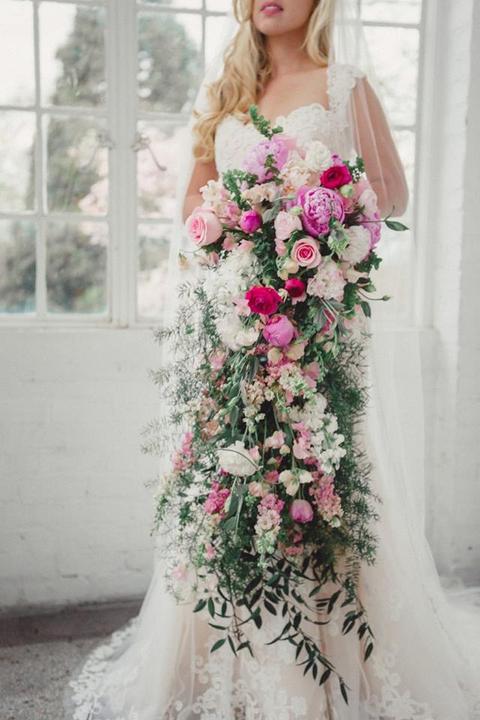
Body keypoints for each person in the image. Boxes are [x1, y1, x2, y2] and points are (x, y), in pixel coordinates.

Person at [66, 1, 480, 718]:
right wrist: (238, 226)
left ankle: (325, 668)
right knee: (232, 481)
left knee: (313, 475)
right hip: (234, 321)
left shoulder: (343, 84)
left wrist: (317, 214)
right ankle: (224, 658)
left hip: (313, 324)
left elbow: (391, 192)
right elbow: (194, 203)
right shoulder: (224, 91)